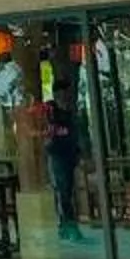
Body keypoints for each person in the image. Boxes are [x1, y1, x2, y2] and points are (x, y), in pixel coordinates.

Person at [45, 64, 84, 233]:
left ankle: (69, 224)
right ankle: (67, 225)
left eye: (67, 93)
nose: (66, 97)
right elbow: (48, 131)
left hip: (70, 155)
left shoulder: (71, 112)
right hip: (57, 156)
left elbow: (76, 134)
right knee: (63, 192)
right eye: (63, 93)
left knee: (69, 190)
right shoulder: (51, 110)